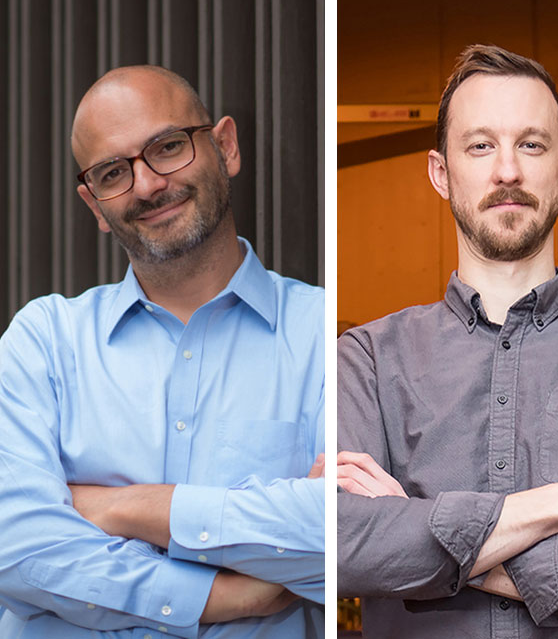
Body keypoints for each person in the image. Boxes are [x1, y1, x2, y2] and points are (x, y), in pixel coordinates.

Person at [336, 44, 558, 638]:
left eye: (531, 145)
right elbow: (344, 545)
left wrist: (414, 536)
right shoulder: (367, 358)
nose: (507, 171)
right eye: (480, 146)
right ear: (441, 173)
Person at [0, 65, 324, 638]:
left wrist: (123, 508)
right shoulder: (42, 342)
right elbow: (16, 547)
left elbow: (340, 534)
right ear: (94, 204)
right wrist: (221, 597)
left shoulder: (322, 335)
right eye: (113, 172)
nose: (147, 185)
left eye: (168, 147)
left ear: (225, 147)